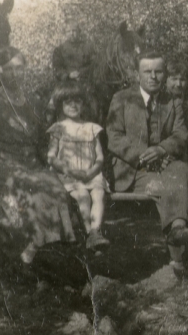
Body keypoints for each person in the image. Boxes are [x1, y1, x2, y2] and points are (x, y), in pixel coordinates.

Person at [0, 51, 76, 265]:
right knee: (34, 190)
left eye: (19, 68)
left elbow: (43, 142)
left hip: (30, 164)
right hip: (0, 165)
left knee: (57, 188)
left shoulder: (34, 101)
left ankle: (53, 250)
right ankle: (35, 252)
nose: (15, 74)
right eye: (9, 69)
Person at [106, 50, 188, 278]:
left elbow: (181, 135)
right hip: (134, 169)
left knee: (181, 171)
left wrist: (161, 149)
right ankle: (178, 259)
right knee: (165, 184)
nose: (153, 77)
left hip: (166, 161)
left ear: (165, 74)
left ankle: (178, 229)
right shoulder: (122, 99)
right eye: (147, 71)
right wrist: (143, 155)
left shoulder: (173, 101)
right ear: (137, 75)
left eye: (158, 72)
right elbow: (114, 137)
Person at [47, 82, 110, 251]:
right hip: (68, 175)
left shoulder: (92, 128)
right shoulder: (58, 128)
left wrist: (91, 172)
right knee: (82, 195)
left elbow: (100, 157)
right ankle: (90, 233)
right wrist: (71, 171)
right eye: (68, 102)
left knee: (98, 193)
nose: (73, 105)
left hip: (91, 174)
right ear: (60, 105)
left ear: (84, 104)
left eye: (78, 101)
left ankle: (96, 231)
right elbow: (51, 157)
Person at [47, 25, 100, 123]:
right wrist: (68, 75)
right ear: (66, 32)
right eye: (70, 31)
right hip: (66, 83)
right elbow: (57, 68)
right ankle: (49, 126)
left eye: (75, 31)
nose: (73, 33)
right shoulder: (60, 49)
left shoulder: (88, 47)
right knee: (52, 105)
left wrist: (81, 73)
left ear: (79, 33)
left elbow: (94, 64)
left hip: (85, 81)